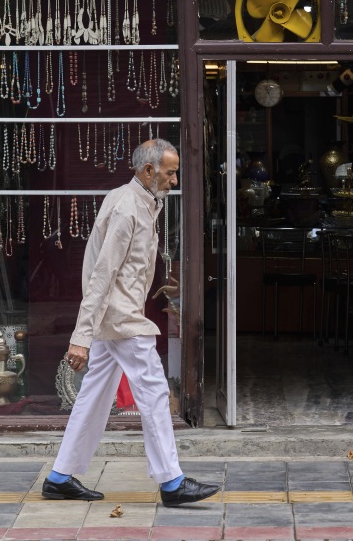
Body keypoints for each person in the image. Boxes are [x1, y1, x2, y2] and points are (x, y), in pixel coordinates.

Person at [42, 139, 220, 507]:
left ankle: (60, 476)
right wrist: (81, 337)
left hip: (118, 315)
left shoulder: (142, 201)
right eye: (170, 173)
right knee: (154, 393)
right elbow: (101, 276)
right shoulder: (127, 208)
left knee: (93, 395)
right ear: (149, 171)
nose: (174, 180)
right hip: (120, 318)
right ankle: (172, 482)